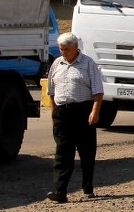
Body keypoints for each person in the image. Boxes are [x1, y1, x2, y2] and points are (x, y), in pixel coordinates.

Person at [45, 32, 104, 204]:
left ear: (75, 48)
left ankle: (87, 187)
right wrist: (54, 115)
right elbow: (51, 92)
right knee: (63, 153)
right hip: (62, 113)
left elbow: (98, 91)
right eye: (61, 49)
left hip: (83, 111)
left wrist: (95, 112)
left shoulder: (88, 63)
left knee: (86, 152)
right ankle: (59, 191)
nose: (63, 52)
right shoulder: (57, 63)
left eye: (66, 49)